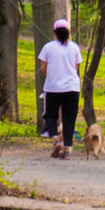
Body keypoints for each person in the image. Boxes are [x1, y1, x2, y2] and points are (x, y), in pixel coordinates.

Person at [38, 19, 83, 160]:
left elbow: (43, 68)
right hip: (72, 88)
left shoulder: (48, 47)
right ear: (68, 32)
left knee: (50, 116)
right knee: (69, 119)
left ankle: (56, 139)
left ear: (54, 32)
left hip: (53, 88)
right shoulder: (74, 47)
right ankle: (67, 149)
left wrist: (52, 75)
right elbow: (76, 67)